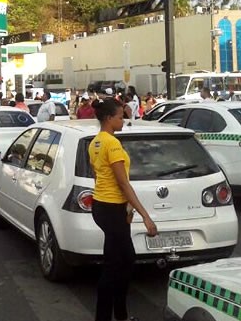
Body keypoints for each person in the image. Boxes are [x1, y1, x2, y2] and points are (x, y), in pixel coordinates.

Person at [88, 98, 157, 321]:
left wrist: (127, 207)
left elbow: (98, 175)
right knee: (119, 263)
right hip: (111, 208)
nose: (124, 120)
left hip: (103, 206)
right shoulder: (112, 144)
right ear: (108, 119)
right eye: (120, 116)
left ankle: (120, 314)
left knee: (120, 260)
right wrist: (146, 216)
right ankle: (110, 316)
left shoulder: (95, 142)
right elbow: (123, 183)